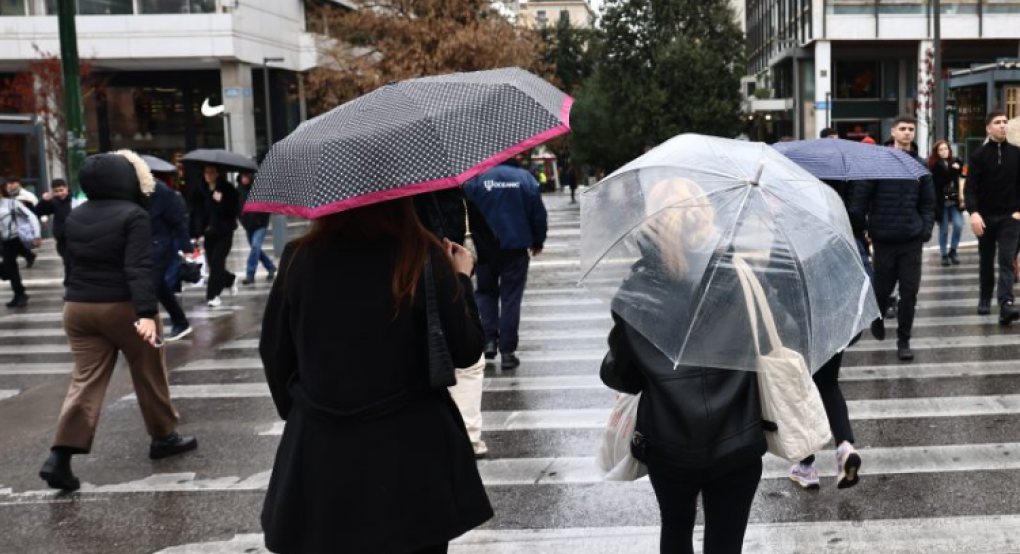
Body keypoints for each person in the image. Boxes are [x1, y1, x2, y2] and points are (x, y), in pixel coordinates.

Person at [259, 197, 492, 554]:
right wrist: (461, 278)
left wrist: (307, 408)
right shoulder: (421, 253)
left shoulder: (299, 258)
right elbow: (465, 349)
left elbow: (275, 352)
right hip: (412, 455)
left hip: (324, 452)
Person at [600, 179, 766, 554]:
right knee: (727, 540)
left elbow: (621, 375)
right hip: (738, 435)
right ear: (707, 217)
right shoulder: (742, 276)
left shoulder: (635, 289)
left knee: (675, 528)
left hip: (668, 441)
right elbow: (777, 340)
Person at [39, 151, 197, 492]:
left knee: (86, 381)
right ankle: (164, 437)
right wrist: (145, 314)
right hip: (123, 306)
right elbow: (137, 268)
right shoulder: (134, 215)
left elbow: (68, 257)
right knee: (150, 372)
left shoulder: (75, 216)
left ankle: (60, 456)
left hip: (78, 307)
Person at [415, 189, 500, 458]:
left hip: (404, 294)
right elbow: (489, 245)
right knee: (468, 363)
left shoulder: (380, 206)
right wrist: (463, 274)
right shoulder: (453, 197)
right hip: (446, 283)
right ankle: (469, 437)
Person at [851, 115, 935, 361]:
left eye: (911, 129)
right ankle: (877, 317)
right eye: (903, 129)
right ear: (893, 132)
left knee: (909, 292)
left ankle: (904, 340)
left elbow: (929, 203)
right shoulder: (877, 163)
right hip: (884, 238)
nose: (908, 133)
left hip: (911, 239)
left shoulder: (920, 165)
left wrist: (925, 230)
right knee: (882, 288)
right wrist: (865, 228)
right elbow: (860, 201)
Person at [464, 155, 548, 369]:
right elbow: (537, 212)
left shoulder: (477, 178)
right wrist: (538, 240)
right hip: (516, 247)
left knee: (485, 292)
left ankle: (489, 341)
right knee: (511, 297)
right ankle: (508, 351)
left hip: (484, 248)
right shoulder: (525, 179)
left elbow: (466, 211)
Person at [964, 110, 1020, 323]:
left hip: (1010, 217)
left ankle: (1006, 303)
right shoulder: (979, 155)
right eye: (998, 122)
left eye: (1005, 122)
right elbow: (970, 189)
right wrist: (974, 213)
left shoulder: (1016, 153)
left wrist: (1018, 212)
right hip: (985, 217)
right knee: (986, 259)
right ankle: (985, 296)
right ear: (988, 128)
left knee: (1007, 259)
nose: (1003, 125)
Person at [150, 177, 194, 341]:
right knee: (159, 286)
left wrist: (187, 247)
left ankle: (145, 328)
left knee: (149, 287)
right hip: (145, 243)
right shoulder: (128, 191)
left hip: (160, 244)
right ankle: (180, 321)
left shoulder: (161, 191)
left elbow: (178, 221)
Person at [189, 165, 239, 307]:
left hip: (224, 232)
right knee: (213, 264)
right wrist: (195, 233)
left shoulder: (227, 189)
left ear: (217, 174)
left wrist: (221, 201)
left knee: (217, 262)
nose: (209, 175)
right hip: (209, 233)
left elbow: (234, 210)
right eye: (206, 172)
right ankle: (229, 279)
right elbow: (195, 214)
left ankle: (212, 295)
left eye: (212, 172)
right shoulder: (199, 191)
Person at [0, 177, 41, 308]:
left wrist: (36, 235)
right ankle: (19, 293)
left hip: (14, 239)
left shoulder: (12, 203)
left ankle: (20, 294)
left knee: (10, 267)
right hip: (2, 241)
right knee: (10, 269)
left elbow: (32, 216)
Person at [930, 140, 965, 267]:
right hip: (941, 202)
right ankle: (944, 254)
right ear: (937, 152)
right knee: (943, 230)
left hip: (955, 201)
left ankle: (953, 251)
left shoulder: (954, 161)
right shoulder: (934, 165)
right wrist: (953, 168)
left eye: (946, 149)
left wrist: (959, 167)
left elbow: (962, 172)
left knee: (959, 225)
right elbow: (943, 178)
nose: (944, 151)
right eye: (941, 149)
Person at [237, 172, 277, 285]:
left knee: (255, 247)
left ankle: (250, 275)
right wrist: (241, 220)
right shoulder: (239, 190)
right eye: (243, 176)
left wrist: (261, 219)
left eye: (246, 176)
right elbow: (237, 207)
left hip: (260, 225)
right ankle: (271, 267)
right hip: (248, 225)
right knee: (256, 250)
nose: (244, 179)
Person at [36, 178, 78, 281]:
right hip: (62, 239)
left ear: (66, 189)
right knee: (67, 262)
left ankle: (71, 283)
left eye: (61, 190)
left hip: (75, 236)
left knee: (72, 263)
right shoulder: (54, 202)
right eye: (56, 191)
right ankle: (70, 284)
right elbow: (38, 212)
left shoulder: (74, 201)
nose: (59, 194)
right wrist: (43, 201)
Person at [4, 176, 39, 268]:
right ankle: (29, 256)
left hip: (24, 223)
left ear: (18, 183)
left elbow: (36, 208)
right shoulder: (6, 195)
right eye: (9, 183)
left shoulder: (27, 195)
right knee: (15, 243)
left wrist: (42, 220)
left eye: (12, 183)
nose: (10, 185)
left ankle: (26, 257)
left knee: (15, 243)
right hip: (10, 223)